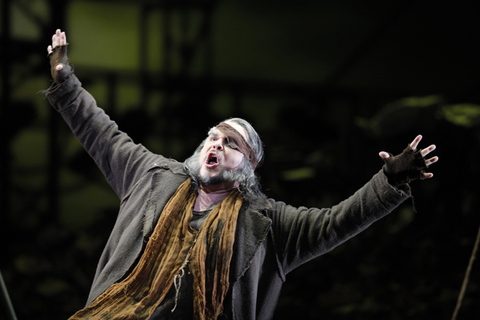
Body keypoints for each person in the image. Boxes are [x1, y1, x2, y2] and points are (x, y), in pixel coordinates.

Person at [44, 29, 438, 320]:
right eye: (212, 137)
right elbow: (103, 134)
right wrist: (65, 79)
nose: (215, 144)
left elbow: (338, 221)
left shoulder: (270, 223)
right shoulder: (152, 176)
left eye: (231, 143)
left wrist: (389, 180)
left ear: (249, 166)